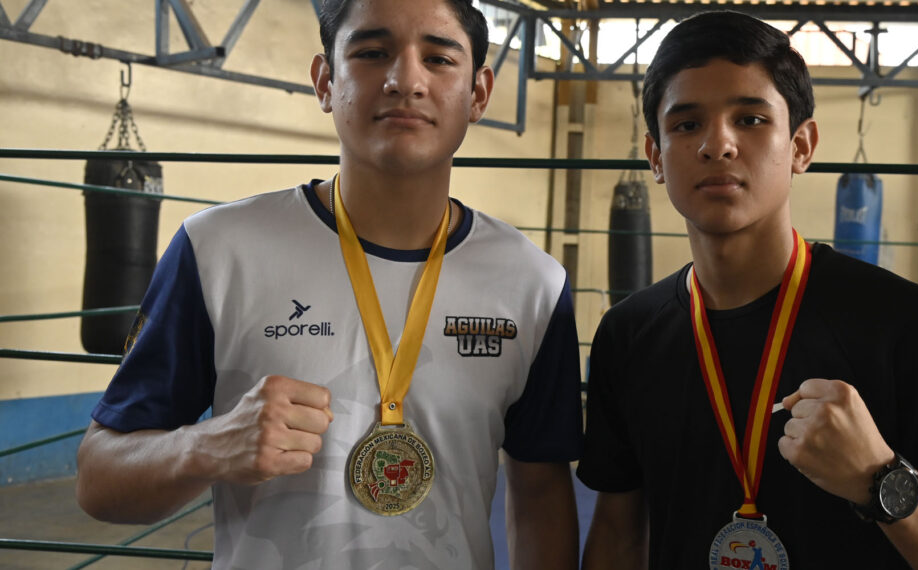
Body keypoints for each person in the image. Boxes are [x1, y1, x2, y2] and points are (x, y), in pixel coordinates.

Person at [75, 1, 583, 568]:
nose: (405, 80)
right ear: (325, 81)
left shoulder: (533, 284)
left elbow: (540, 496)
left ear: (478, 94)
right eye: (372, 53)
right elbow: (98, 480)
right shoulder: (218, 249)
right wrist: (206, 446)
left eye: (439, 59)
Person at [576, 11, 918, 570]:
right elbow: (618, 536)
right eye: (687, 124)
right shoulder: (629, 335)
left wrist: (879, 478)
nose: (717, 144)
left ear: (801, 145)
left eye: (750, 119)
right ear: (656, 157)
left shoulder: (906, 323)